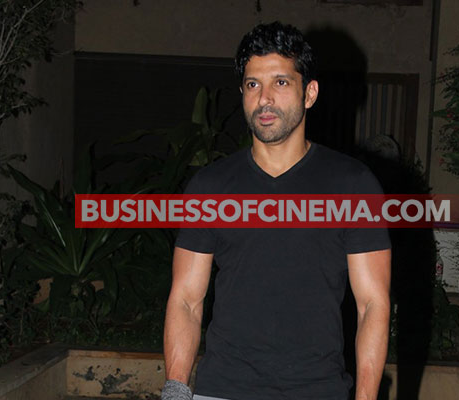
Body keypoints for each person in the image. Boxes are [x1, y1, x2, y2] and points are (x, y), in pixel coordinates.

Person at [162, 22, 392, 400]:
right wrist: (175, 389)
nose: (264, 98)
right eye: (253, 84)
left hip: (317, 390)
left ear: (309, 93)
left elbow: (372, 306)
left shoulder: (353, 185)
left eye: (281, 82)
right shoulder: (211, 186)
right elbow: (186, 299)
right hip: (222, 388)